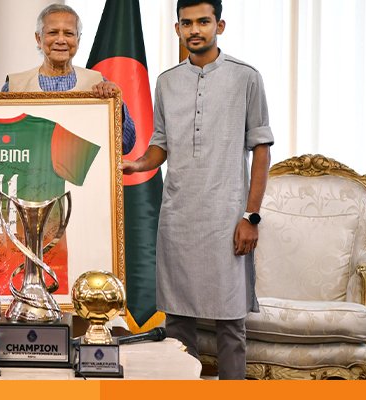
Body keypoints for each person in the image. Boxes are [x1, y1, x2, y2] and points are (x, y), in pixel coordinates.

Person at [122, 0, 273, 379]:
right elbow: (161, 143)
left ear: (219, 25)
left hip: (227, 219)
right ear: (177, 29)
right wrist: (139, 164)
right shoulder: (166, 81)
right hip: (178, 219)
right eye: (186, 23)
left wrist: (251, 216)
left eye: (203, 21)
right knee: (177, 323)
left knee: (231, 325)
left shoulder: (246, 77)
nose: (194, 29)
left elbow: (261, 150)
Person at [2, 3, 136, 154]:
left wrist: (117, 104)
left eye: (69, 33)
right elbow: (1, 142)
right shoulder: (14, 86)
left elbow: (125, 145)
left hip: (83, 168)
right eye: (53, 32)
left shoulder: (100, 84)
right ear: (38, 38)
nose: (61, 40)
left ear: (78, 39)